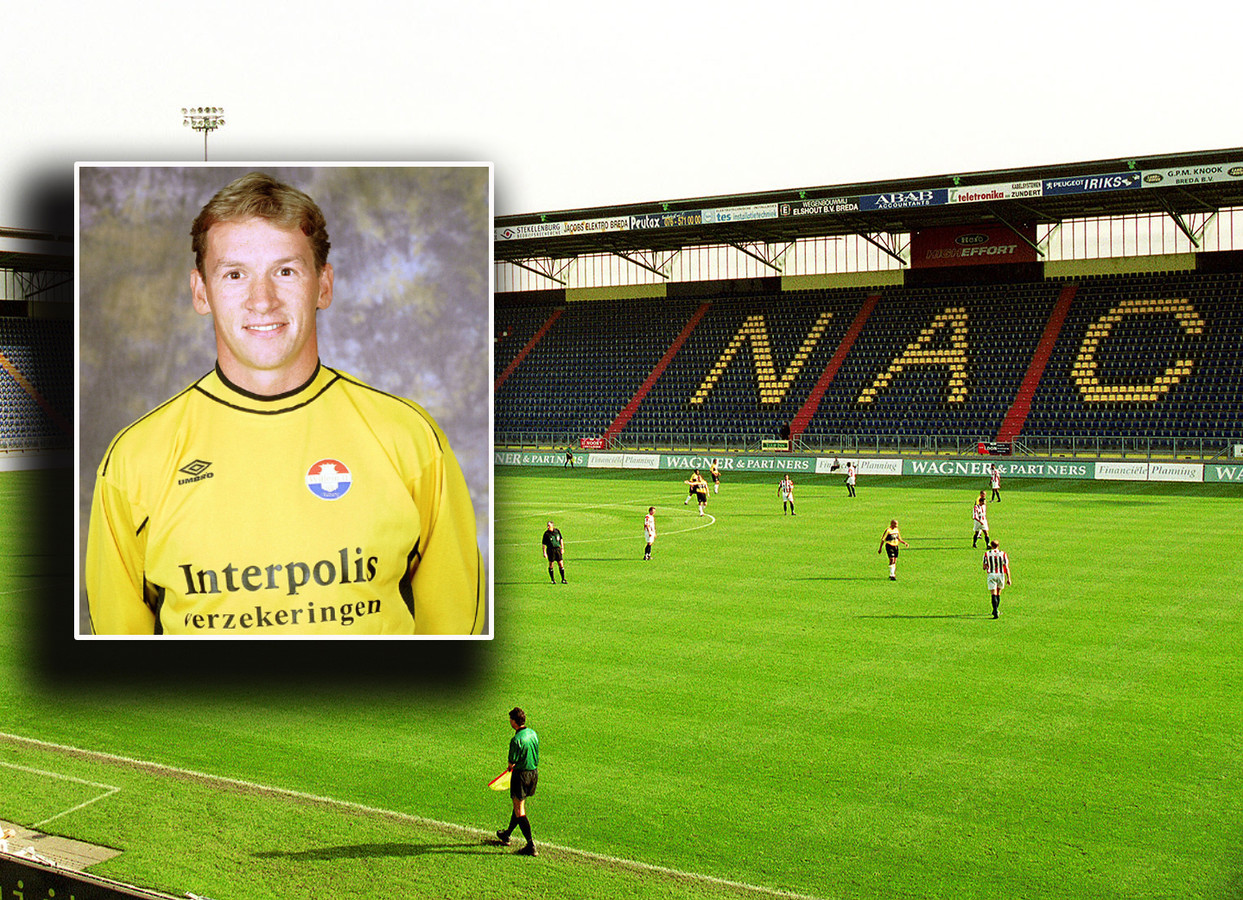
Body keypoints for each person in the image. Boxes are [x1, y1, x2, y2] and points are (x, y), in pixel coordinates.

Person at [84, 172, 484, 636]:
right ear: (201, 292)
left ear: (323, 285)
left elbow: (454, 637)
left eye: (286, 271)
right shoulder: (136, 460)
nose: (262, 300)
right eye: (235, 274)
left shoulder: (408, 439)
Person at [495, 707, 540, 857]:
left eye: (510, 719)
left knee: (519, 810)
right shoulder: (533, 733)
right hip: (533, 774)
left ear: (514, 721)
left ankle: (530, 844)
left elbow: (511, 763)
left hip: (520, 775)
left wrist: (510, 768)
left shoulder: (516, 740)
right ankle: (507, 834)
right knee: (518, 805)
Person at [982, 539, 1012, 618]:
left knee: (993, 593)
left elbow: (984, 567)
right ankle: (996, 610)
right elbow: (1006, 566)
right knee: (998, 593)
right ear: (998, 546)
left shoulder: (987, 554)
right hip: (1000, 574)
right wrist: (1009, 578)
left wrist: (987, 565)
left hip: (991, 575)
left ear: (991, 546)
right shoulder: (1003, 554)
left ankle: (995, 610)